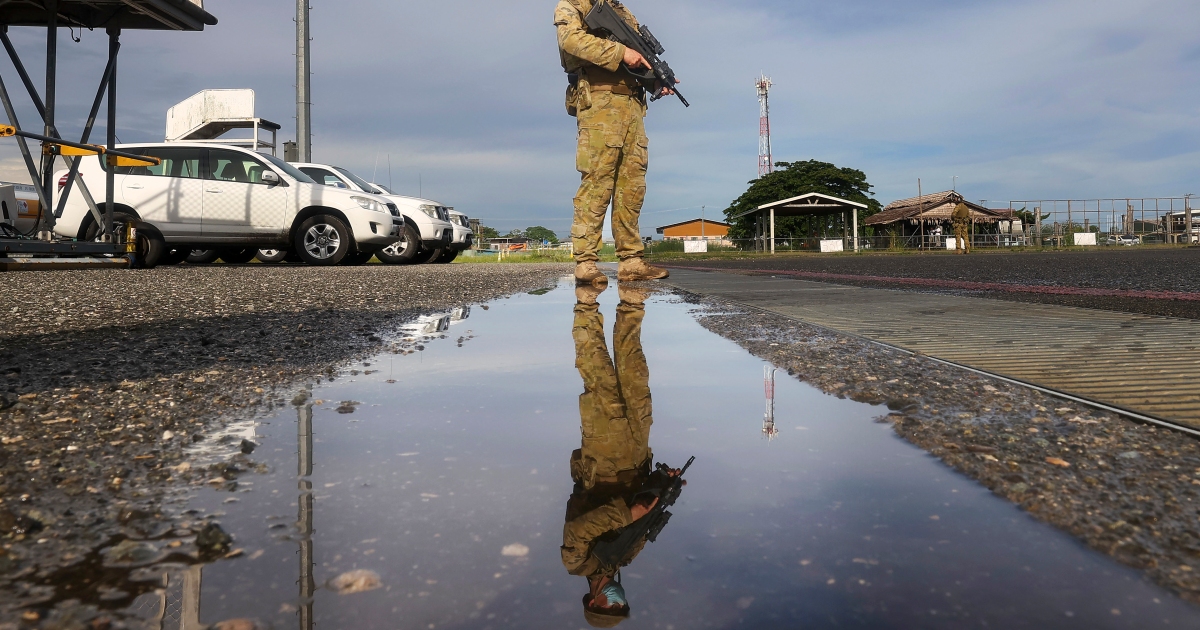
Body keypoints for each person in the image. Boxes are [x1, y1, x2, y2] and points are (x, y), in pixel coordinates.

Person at [563, 284, 680, 627]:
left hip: (604, 460)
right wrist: (663, 485)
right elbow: (646, 507)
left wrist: (627, 514)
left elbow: (580, 529)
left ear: (592, 600)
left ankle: (586, 303)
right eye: (620, 608)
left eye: (608, 607)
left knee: (599, 375)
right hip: (637, 455)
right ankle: (632, 301)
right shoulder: (627, 554)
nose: (616, 603)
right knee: (635, 374)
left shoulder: (577, 563)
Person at [555, 0, 673, 285]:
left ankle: (631, 260)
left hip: (632, 105)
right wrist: (621, 52)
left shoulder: (623, 12)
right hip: (599, 103)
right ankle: (585, 262)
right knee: (597, 182)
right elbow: (570, 41)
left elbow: (635, 59)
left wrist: (655, 81)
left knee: (631, 187)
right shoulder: (574, 3)